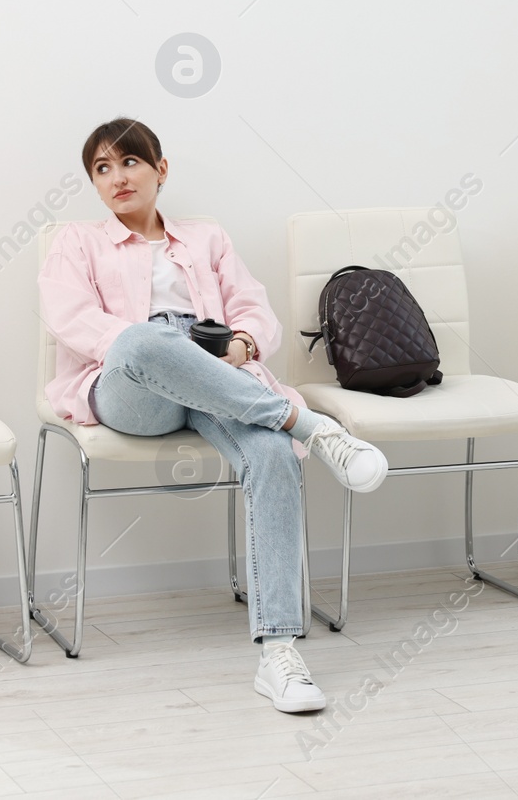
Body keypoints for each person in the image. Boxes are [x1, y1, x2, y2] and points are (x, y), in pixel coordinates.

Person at [38, 117, 388, 713]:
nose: (117, 177)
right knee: (147, 340)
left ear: (160, 169)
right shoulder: (76, 241)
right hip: (127, 388)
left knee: (273, 454)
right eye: (102, 168)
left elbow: (255, 309)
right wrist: (162, 345)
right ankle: (311, 426)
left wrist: (242, 346)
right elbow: (74, 320)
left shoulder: (207, 238)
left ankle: (279, 652)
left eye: (129, 162)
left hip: (216, 380)